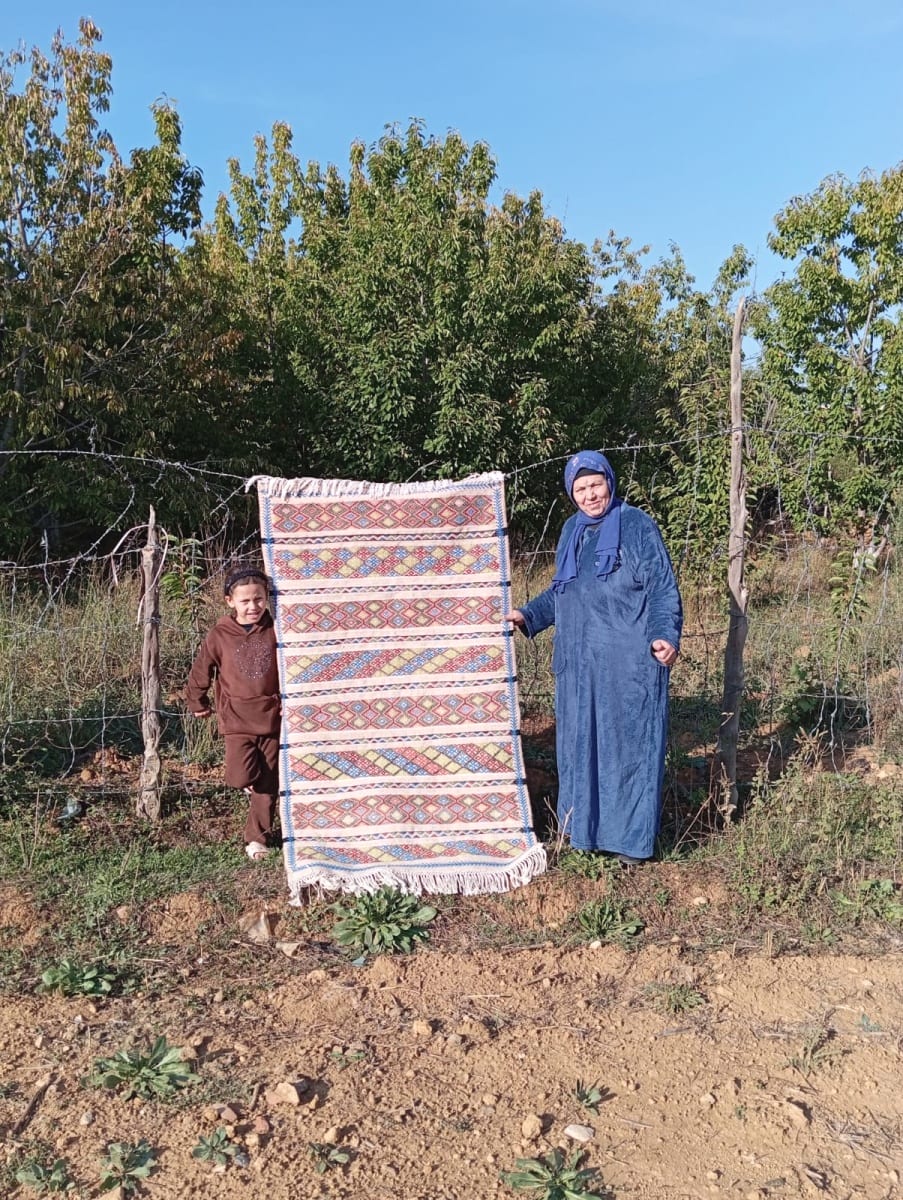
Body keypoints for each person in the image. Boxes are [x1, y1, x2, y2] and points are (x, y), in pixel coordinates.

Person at [506, 450, 682, 863]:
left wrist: (664, 634)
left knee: (628, 748)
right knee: (581, 747)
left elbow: (662, 589)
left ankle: (630, 845)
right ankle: (585, 836)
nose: (590, 495)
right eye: (580, 488)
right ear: (571, 492)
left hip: (627, 664)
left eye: (595, 485)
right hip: (579, 666)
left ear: (610, 482)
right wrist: (529, 614)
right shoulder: (572, 531)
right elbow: (564, 591)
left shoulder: (637, 526)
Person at [186, 566, 281, 860]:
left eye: (259, 599)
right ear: (230, 601)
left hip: (273, 717)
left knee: (268, 783)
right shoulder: (220, 634)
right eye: (245, 601)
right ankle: (247, 787)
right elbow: (202, 669)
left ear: (267, 598)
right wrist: (196, 700)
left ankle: (257, 839)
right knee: (241, 777)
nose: (253, 606)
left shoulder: (277, 629)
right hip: (236, 718)